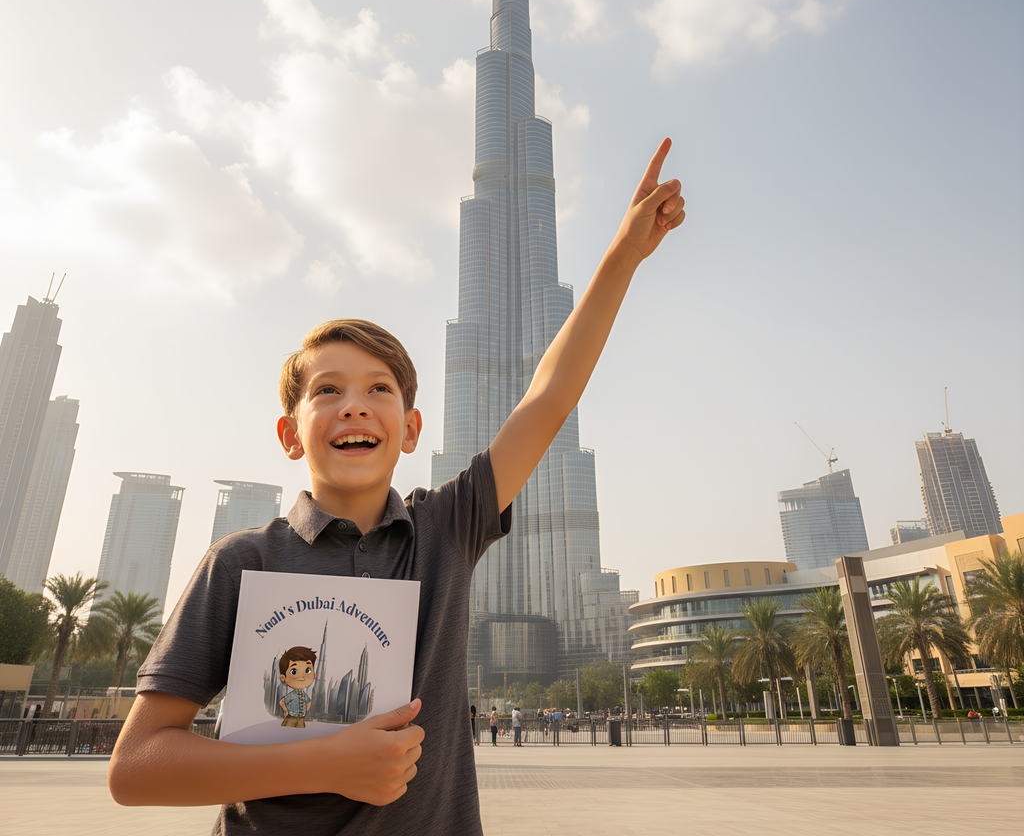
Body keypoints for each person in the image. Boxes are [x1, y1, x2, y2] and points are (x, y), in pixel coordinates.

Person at [106, 140, 685, 834]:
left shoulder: (445, 531)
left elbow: (549, 398)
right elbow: (137, 766)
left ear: (409, 429)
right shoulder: (241, 563)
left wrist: (624, 252)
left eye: (378, 389)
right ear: (291, 435)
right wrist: (325, 762)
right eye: (328, 391)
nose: (354, 405)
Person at [277, 646, 317, 728]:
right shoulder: (292, 694)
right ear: (283, 677)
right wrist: (285, 710)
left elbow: (308, 703)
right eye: (294, 671)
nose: (302, 677)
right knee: (287, 731)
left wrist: (303, 712)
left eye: (307, 670)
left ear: (314, 675)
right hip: (291, 718)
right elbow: (282, 701)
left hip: (301, 718)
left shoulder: (304, 695)